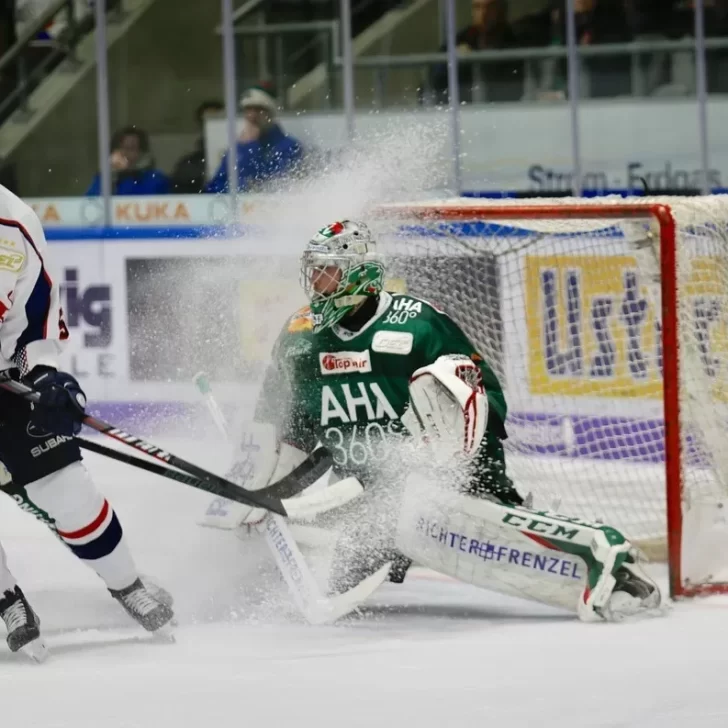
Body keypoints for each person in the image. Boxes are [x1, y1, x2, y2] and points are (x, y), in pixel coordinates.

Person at [228, 220, 662, 622]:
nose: (319, 283)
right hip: (366, 501)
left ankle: (611, 567)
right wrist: (267, 488)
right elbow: (289, 423)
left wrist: (453, 459)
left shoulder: (418, 322)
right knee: (342, 572)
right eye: (315, 272)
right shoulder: (300, 336)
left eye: (330, 272)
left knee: (491, 546)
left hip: (447, 481)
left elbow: (483, 395)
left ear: (359, 272)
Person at [0, 183, 174, 660]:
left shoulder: (12, 221)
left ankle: (127, 584)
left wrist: (43, 373)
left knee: (67, 492)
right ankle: (8, 600)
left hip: (1, 379)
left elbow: (33, 319)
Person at [205, 87, 303, 194]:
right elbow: (215, 186)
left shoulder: (289, 147)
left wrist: (250, 147)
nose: (252, 116)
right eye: (248, 110)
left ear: (270, 114)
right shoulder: (237, 148)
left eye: (258, 110)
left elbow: (275, 184)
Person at [87, 126, 170, 196]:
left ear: (142, 153)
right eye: (120, 148)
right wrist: (111, 176)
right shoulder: (105, 178)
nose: (124, 153)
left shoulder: (156, 179)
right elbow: (91, 204)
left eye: (131, 148)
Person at [169, 100, 224, 194]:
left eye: (216, 122)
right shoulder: (188, 166)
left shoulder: (242, 157)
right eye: (206, 122)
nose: (211, 127)